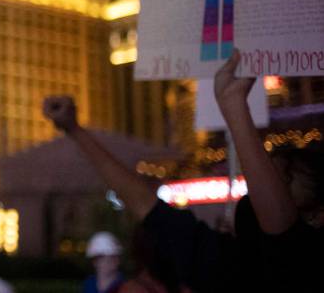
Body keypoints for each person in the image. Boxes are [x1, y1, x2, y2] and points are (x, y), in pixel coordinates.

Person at [42, 50, 324, 293]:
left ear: (317, 213)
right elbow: (146, 206)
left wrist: (234, 104)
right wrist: (74, 130)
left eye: (283, 179)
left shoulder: (304, 263)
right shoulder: (229, 262)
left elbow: (285, 235)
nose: (264, 185)